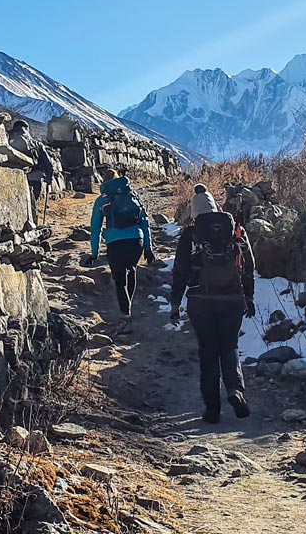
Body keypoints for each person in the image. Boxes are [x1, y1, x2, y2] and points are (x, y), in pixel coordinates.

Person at [168, 184, 256, 423]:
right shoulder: (235, 230)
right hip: (233, 298)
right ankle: (236, 391)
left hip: (200, 300)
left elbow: (180, 271)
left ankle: (212, 409)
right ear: (215, 207)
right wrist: (249, 296)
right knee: (229, 346)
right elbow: (249, 265)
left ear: (194, 212)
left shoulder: (191, 233)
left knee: (208, 352)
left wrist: (175, 304)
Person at [87, 167, 154, 334]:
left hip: (115, 241)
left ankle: (125, 317)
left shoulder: (103, 199)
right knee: (131, 271)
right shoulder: (133, 195)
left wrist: (94, 252)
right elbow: (144, 223)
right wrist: (148, 247)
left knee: (119, 279)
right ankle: (127, 311)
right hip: (135, 240)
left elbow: (95, 228)